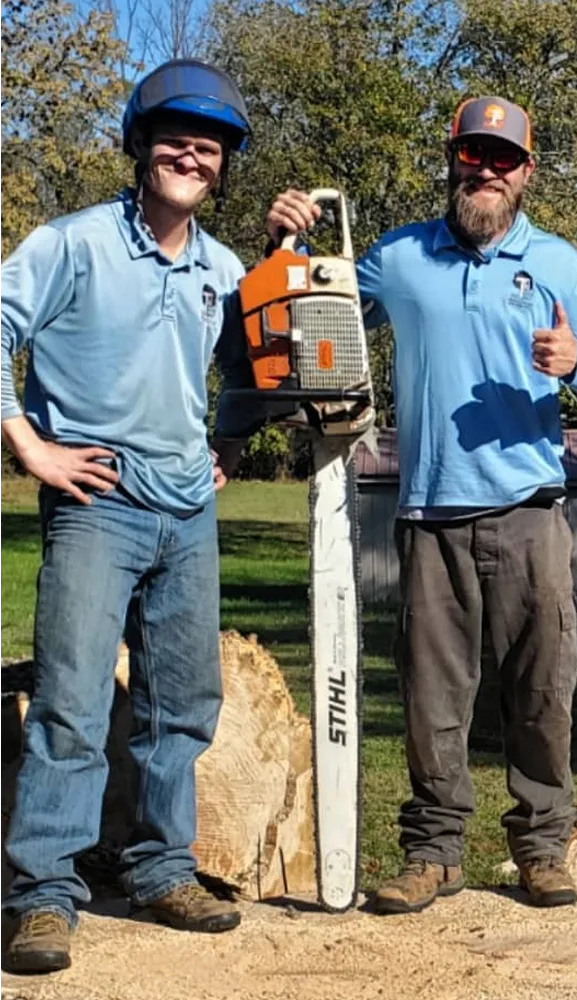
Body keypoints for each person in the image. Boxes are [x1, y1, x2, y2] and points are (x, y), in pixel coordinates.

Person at [263, 95, 577, 914]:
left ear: (526, 172)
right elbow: (310, 308)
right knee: (431, 700)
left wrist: (576, 360)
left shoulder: (558, 263)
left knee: (541, 693)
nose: (487, 171)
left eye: (504, 159)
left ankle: (542, 848)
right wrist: (287, 242)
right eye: (474, 155)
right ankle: (432, 853)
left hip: (530, 510)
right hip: (428, 513)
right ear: (452, 160)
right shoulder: (399, 257)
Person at [0, 59, 269, 973]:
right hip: (96, 505)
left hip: (187, 513)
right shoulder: (71, 244)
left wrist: (229, 444)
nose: (193, 156)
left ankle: (161, 871)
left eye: (211, 147)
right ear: (139, 144)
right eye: (176, 139)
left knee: (181, 708)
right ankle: (44, 895)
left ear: (224, 166)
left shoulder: (222, 269)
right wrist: (31, 448)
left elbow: (248, 368)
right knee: (72, 707)